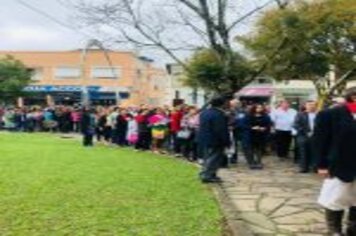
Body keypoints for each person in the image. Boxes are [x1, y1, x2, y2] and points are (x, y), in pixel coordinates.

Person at [314, 87, 356, 236]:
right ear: (353, 97)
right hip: (339, 164)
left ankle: (353, 228)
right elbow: (320, 141)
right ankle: (335, 230)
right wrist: (321, 165)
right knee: (336, 197)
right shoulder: (330, 114)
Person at [198, 97, 230, 183]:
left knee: (207, 157)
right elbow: (220, 129)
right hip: (215, 140)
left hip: (204, 138)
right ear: (221, 104)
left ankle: (206, 173)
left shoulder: (204, 112)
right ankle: (207, 175)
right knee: (214, 158)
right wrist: (226, 141)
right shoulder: (218, 114)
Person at [244, 104, 272, 169]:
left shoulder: (265, 116)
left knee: (259, 149)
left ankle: (259, 162)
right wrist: (252, 128)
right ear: (254, 108)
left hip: (261, 135)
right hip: (251, 135)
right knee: (251, 149)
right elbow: (244, 125)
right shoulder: (248, 116)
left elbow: (268, 125)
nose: (259, 109)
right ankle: (251, 162)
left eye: (261, 107)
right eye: (258, 107)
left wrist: (264, 128)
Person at [293, 100, 318, 173]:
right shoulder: (300, 114)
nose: (311, 106)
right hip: (303, 136)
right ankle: (304, 168)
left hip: (316, 136)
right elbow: (296, 125)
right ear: (306, 106)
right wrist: (306, 131)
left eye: (313, 105)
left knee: (315, 152)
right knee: (303, 152)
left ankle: (314, 167)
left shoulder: (319, 114)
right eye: (309, 105)